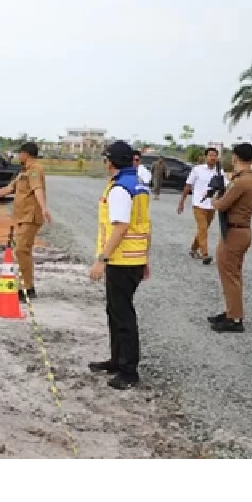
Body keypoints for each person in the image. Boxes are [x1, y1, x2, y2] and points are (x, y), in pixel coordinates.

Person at [87, 141, 151, 390]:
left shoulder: (120, 189)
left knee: (123, 314)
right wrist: (145, 259)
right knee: (115, 310)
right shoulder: (138, 185)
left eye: (106, 159)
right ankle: (117, 359)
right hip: (133, 258)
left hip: (121, 260)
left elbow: (121, 227)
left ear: (111, 162)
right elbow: (145, 225)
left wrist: (101, 260)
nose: (104, 163)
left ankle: (128, 370)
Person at [0, 141, 50, 302]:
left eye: (20, 153)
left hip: (30, 217)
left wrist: (44, 208)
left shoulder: (35, 170)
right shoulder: (23, 172)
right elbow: (9, 189)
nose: (18, 156)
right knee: (22, 251)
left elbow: (38, 189)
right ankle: (27, 286)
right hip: (21, 217)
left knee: (22, 250)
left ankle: (27, 287)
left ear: (26, 154)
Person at [208, 143, 252, 333]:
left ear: (235, 158)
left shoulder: (241, 182)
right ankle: (232, 311)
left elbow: (222, 204)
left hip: (234, 232)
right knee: (234, 274)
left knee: (229, 275)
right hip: (242, 231)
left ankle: (234, 318)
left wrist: (214, 198)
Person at [177, 147, 226, 266]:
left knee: (202, 230)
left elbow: (224, 187)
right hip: (198, 205)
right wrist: (182, 202)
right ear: (206, 157)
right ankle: (205, 254)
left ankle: (193, 249)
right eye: (210, 155)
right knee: (203, 228)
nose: (212, 157)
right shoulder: (197, 170)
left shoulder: (220, 172)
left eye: (215, 155)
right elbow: (188, 185)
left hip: (212, 206)